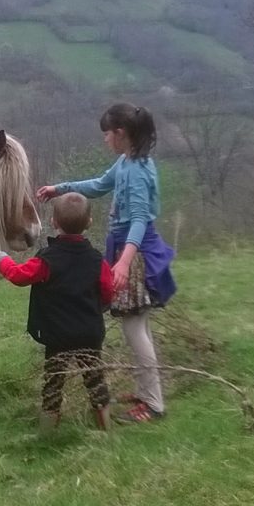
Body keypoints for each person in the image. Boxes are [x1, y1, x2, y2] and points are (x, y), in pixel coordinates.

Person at [36, 102, 176, 424]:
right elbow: (99, 185)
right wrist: (62, 188)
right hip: (125, 248)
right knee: (138, 325)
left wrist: (124, 263)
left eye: (107, 134)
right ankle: (146, 392)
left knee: (133, 327)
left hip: (135, 252)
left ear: (121, 133)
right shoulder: (126, 161)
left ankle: (153, 404)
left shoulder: (139, 171)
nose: (105, 140)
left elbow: (140, 219)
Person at [0, 192, 117, 431]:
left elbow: (18, 275)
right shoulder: (98, 261)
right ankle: (105, 429)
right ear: (89, 222)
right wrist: (101, 306)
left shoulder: (46, 260)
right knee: (96, 382)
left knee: (53, 384)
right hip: (90, 334)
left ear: (54, 222)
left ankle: (46, 434)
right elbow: (108, 291)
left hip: (57, 337)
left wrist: (1, 258)